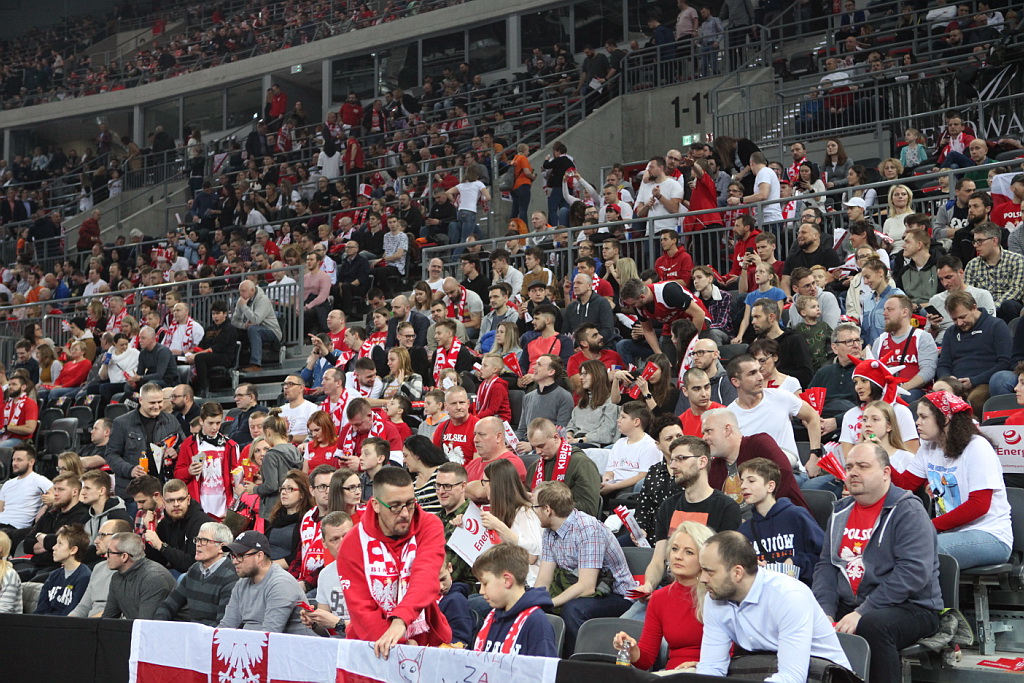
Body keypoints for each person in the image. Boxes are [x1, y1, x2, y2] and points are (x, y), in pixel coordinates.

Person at [813, 442, 943, 683]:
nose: (853, 472)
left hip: (911, 607)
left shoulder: (908, 511)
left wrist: (863, 611)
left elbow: (912, 572)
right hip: (853, 603)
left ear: (885, 473)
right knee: (806, 620)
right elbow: (826, 566)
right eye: (849, 467)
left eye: (863, 466)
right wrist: (825, 612)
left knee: (872, 626)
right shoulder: (840, 511)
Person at [697, 531, 852, 680]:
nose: (702, 579)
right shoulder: (715, 596)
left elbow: (791, 677)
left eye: (709, 572)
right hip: (769, 672)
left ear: (737, 572)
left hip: (826, 676)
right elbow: (711, 667)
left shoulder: (788, 596)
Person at [338, 467, 451, 657]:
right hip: (372, 645)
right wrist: (402, 647)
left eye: (410, 503)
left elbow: (425, 575)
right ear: (375, 505)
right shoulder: (353, 542)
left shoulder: (429, 525)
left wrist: (401, 620)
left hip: (425, 641)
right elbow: (362, 610)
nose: (405, 513)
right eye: (395, 506)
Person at [892, 392, 1013, 569]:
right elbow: (905, 484)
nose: (917, 422)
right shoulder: (928, 447)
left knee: (921, 549)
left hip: (991, 535)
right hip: (951, 533)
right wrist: (880, 459)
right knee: (898, 546)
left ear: (945, 418)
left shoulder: (977, 447)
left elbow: (979, 505)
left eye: (924, 417)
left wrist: (927, 526)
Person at [533, 480, 634, 651]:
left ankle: (577, 660)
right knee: (535, 609)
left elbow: (587, 586)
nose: (533, 512)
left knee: (573, 610)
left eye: (535, 507)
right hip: (582, 589)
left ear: (547, 509)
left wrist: (549, 603)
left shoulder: (587, 529)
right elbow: (544, 580)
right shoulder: (549, 531)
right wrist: (534, 603)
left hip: (617, 594)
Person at [613, 521, 713, 672]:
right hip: (672, 675)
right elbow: (646, 659)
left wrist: (702, 666)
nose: (678, 556)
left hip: (711, 672)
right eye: (674, 549)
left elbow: (733, 650)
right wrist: (632, 650)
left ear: (704, 559)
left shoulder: (716, 595)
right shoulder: (660, 598)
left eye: (689, 552)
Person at [726, 355, 820, 481]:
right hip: (753, 480)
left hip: (791, 473)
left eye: (760, 371)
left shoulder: (782, 397)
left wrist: (815, 454)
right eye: (752, 373)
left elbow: (812, 416)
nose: (760, 377)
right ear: (736, 382)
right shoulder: (729, 415)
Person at [701, 408, 809, 509]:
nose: (704, 438)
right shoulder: (714, 466)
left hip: (783, 516)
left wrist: (764, 514)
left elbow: (783, 472)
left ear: (727, 430)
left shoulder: (759, 443)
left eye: (708, 431)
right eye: (703, 433)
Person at [738, 458, 822, 584]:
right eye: (742, 482)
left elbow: (824, 556)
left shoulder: (796, 515)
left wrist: (796, 562)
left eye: (751, 481)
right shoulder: (744, 530)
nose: (743, 486)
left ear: (770, 486)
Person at [217, 530, 313, 634]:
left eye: (240, 556)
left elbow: (270, 634)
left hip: (289, 643)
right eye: (233, 556)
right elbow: (227, 626)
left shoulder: (281, 583)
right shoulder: (242, 583)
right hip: (253, 641)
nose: (234, 561)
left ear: (259, 556)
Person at [472, 543, 556, 657]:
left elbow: (544, 666)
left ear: (507, 580)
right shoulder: (492, 617)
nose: (481, 591)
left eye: (485, 583)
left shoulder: (537, 622)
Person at [935, 290, 1011, 415]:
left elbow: (1005, 363)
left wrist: (974, 381)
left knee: (972, 402)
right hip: (956, 385)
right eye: (954, 319)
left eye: (962, 317)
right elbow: (943, 364)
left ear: (974, 307)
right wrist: (948, 379)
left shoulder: (996, 326)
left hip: (984, 383)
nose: (959, 323)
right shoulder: (950, 332)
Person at [105, 382, 185, 499]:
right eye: (152, 403)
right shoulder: (121, 423)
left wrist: (176, 451)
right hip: (132, 492)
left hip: (163, 490)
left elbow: (185, 446)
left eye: (160, 402)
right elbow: (111, 455)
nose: (156, 406)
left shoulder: (171, 420)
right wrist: (130, 470)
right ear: (141, 400)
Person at [153, 522, 238, 626]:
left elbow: (224, 624)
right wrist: (158, 626)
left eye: (204, 541)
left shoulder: (230, 577)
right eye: (197, 540)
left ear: (222, 547)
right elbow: (169, 605)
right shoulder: (195, 569)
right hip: (193, 632)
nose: (198, 544)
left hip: (211, 634)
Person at [524, 418, 602, 519]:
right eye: (534, 447)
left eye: (541, 446)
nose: (538, 451)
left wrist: (547, 504)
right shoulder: (534, 468)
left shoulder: (582, 464)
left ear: (556, 438)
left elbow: (589, 509)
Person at [617, 278, 706, 365]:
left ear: (642, 297)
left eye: (633, 304)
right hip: (672, 325)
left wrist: (690, 343)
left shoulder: (668, 291)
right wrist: (659, 354)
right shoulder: (638, 306)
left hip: (696, 320)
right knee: (668, 365)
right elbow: (648, 331)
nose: (632, 307)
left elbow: (699, 314)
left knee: (697, 360)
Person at [175, 402, 240, 519]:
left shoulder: (230, 445)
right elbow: (177, 475)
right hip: (198, 507)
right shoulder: (188, 444)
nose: (214, 427)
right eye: (210, 423)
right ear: (201, 421)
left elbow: (237, 478)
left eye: (218, 423)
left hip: (224, 506)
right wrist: (188, 471)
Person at [871, 293, 939, 401]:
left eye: (889, 309)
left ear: (905, 312)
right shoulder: (880, 341)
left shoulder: (922, 337)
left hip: (915, 392)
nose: (884, 313)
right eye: (884, 310)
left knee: (910, 396)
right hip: (885, 392)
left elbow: (928, 372)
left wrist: (901, 389)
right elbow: (871, 373)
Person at [302, 511, 355, 636]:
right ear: (324, 543)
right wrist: (314, 622)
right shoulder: (325, 575)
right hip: (337, 644)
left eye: (346, 536)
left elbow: (375, 629)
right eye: (334, 540)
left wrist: (339, 623)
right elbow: (326, 630)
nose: (342, 543)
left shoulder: (373, 570)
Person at [102, 531, 177, 619]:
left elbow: (147, 623)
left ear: (124, 556)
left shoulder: (154, 578)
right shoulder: (117, 578)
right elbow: (108, 619)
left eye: (110, 552)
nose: (106, 555)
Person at [70, 518, 132, 618]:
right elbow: (83, 607)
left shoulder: (130, 570)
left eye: (102, 535)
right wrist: (68, 623)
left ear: (119, 538)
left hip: (107, 624)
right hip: (89, 623)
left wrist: (87, 624)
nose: (96, 541)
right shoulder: (98, 568)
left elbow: (119, 612)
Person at [146, 479, 209, 574]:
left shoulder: (201, 523)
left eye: (181, 499)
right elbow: (156, 561)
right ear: (163, 503)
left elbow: (194, 565)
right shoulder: (164, 523)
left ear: (188, 500)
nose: (176, 504)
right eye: (170, 500)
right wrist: (152, 530)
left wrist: (162, 546)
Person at [601, 401, 661, 497]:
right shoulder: (619, 443)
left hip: (630, 487)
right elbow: (610, 471)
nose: (618, 420)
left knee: (622, 497)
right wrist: (607, 478)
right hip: (613, 484)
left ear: (636, 422)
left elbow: (643, 476)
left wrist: (613, 487)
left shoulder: (650, 446)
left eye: (623, 417)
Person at [515, 354, 574, 444]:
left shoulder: (564, 396)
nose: (534, 367)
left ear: (551, 372)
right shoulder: (528, 397)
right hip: (527, 445)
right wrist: (513, 443)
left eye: (539, 365)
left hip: (547, 447)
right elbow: (521, 430)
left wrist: (532, 445)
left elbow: (560, 433)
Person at [35, 524, 92, 615]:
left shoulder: (84, 577)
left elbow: (74, 612)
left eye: (60, 543)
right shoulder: (54, 575)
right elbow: (40, 610)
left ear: (73, 550)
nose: (54, 547)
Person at [566, 359, 620, 447]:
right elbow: (571, 425)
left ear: (597, 375)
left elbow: (606, 433)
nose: (581, 377)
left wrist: (579, 440)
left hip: (595, 445)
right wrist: (569, 434)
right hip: (576, 442)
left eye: (585, 374)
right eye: (581, 374)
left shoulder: (611, 401)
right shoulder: (582, 402)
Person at [0, 443, 51, 532]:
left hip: (16, 528)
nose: (14, 463)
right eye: (13, 460)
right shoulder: (8, 484)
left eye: (19, 460)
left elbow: (57, 496)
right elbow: (1, 508)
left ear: (31, 462)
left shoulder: (39, 480)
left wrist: (45, 506)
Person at [234, 280, 283, 371]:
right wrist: (244, 326)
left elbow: (256, 320)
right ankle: (235, 363)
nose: (241, 294)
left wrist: (244, 306)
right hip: (252, 328)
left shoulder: (263, 300)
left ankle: (256, 364)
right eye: (240, 291)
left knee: (253, 329)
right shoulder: (241, 300)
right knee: (233, 330)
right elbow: (234, 321)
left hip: (271, 331)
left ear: (252, 290)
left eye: (243, 291)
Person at [404, 435, 448, 515]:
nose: (404, 460)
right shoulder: (412, 482)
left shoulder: (442, 472)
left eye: (406, 456)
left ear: (417, 455)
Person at [0, 371, 39, 449]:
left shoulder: (29, 403)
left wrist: (8, 428)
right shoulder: (7, 404)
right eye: (9, 385)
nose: (10, 387)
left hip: (21, 440)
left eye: (14, 384)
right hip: (5, 437)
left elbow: (30, 428)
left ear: (23, 387)